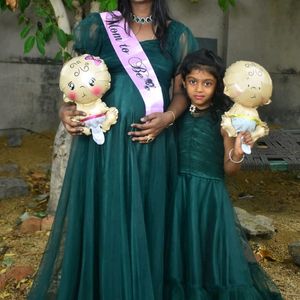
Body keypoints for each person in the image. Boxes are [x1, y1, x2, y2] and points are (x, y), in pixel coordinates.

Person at [27, 0, 198, 299]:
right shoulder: (99, 28)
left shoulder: (177, 35)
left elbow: (182, 92)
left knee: (147, 217)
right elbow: (74, 83)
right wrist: (64, 110)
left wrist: (168, 118)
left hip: (151, 144)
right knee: (107, 216)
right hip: (102, 147)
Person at [164, 49, 283, 299]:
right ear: (183, 82)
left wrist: (238, 152)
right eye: (193, 82)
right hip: (178, 193)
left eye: (207, 83)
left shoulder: (225, 121)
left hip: (209, 196)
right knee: (181, 250)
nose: (199, 89)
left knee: (208, 250)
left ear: (217, 86)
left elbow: (230, 169)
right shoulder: (176, 114)